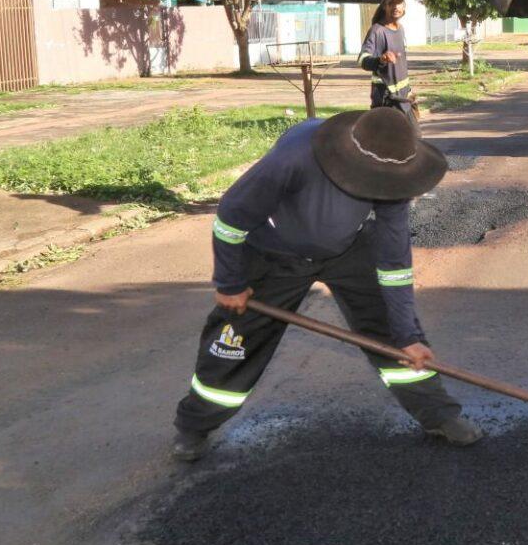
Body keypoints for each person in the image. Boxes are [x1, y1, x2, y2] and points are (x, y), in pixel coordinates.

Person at [171, 107, 482, 461]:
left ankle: (439, 415)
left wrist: (408, 335)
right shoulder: (294, 156)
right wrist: (230, 281)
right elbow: (231, 217)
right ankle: (193, 426)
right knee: (235, 340)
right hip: (275, 251)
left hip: (347, 249)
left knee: (394, 335)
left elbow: (394, 264)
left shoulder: (397, 173)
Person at [360, 0, 417, 117]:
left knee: (413, 136)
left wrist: (409, 91)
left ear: (404, 6)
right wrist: (381, 59)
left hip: (403, 98)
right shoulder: (377, 31)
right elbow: (363, 60)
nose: (396, 7)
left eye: (399, 3)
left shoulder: (400, 29)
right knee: (391, 137)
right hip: (386, 98)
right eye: (391, 3)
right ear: (385, 6)